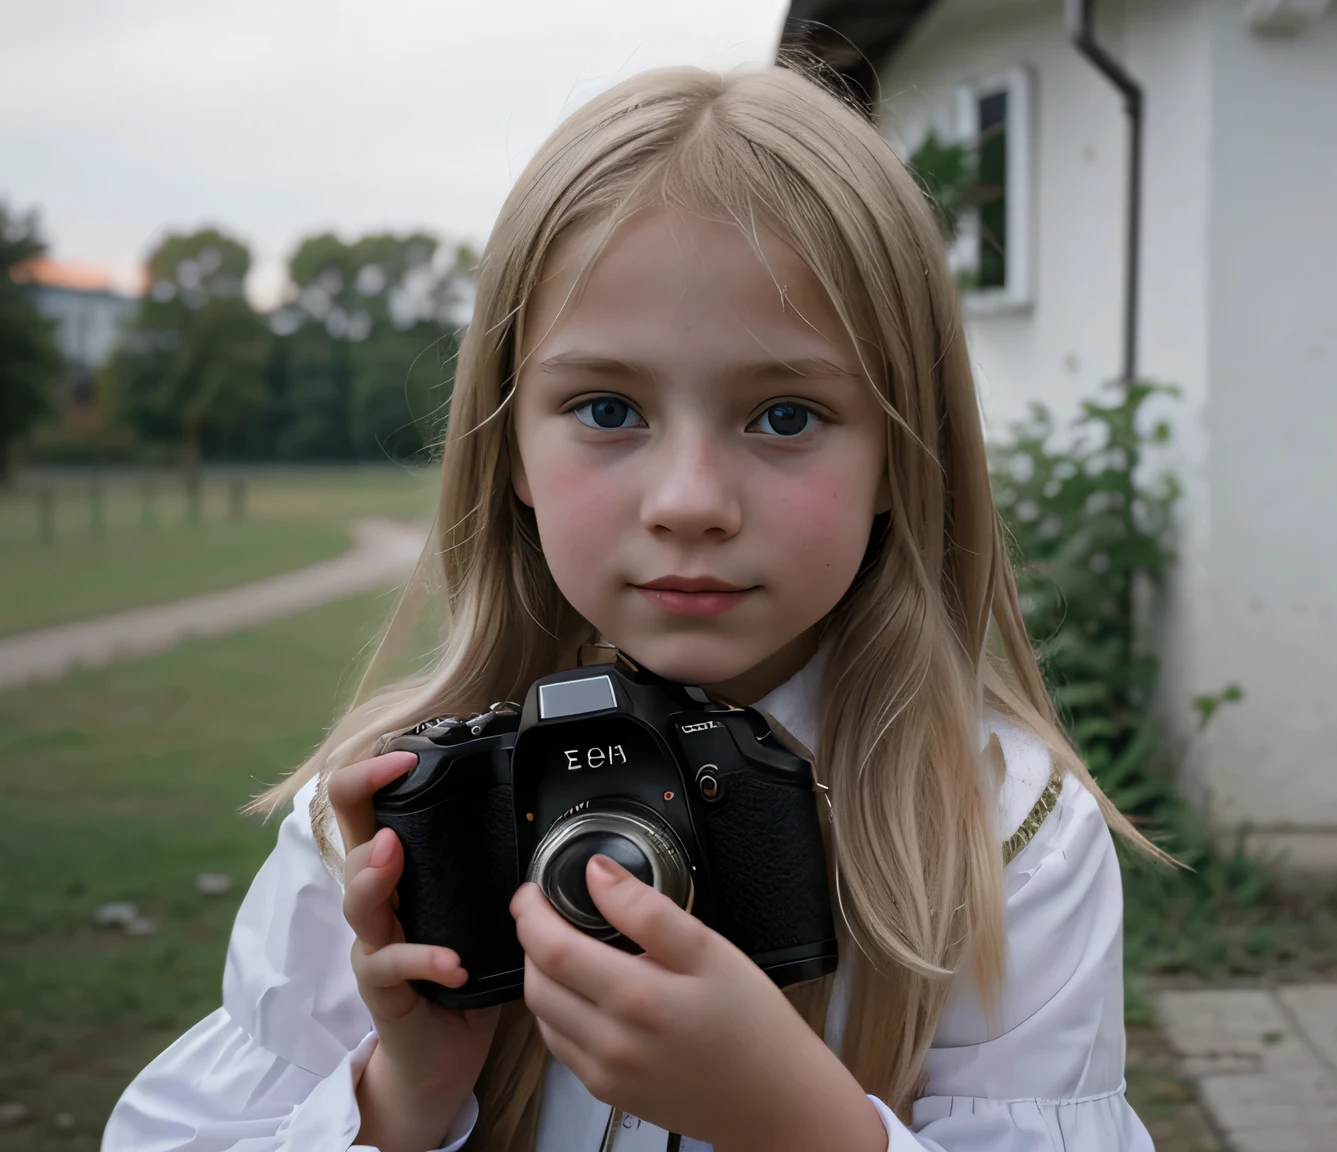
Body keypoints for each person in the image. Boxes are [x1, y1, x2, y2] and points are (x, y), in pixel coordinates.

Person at [103, 64, 1159, 1152]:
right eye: (606, 408)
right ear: (506, 443)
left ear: (904, 454)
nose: (690, 502)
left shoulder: (999, 831)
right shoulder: (384, 821)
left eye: (785, 416)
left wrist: (798, 1124)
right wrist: (399, 1098)